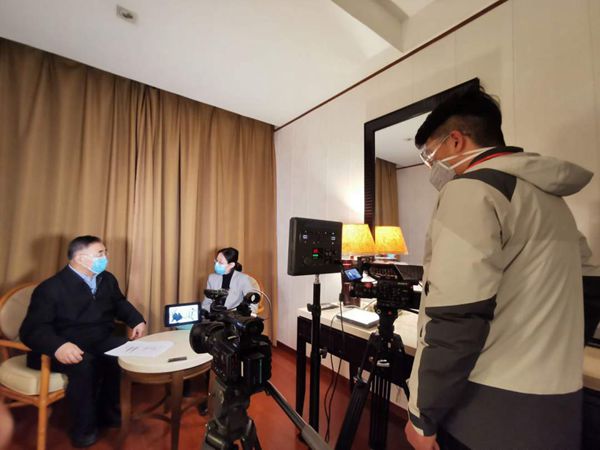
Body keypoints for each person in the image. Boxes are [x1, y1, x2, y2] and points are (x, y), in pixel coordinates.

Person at [404, 87, 593, 450]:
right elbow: (591, 285)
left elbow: (456, 315)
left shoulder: (470, 191)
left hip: (487, 411)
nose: (432, 167)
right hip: (559, 406)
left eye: (430, 155)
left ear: (455, 140)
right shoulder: (551, 201)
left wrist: (421, 414)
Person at [19, 235, 146, 448]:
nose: (106, 257)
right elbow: (31, 330)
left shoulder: (107, 279)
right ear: (80, 258)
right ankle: (84, 429)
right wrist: (58, 346)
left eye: (105, 252)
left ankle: (109, 413)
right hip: (64, 345)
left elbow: (119, 303)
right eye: (100, 253)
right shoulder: (51, 288)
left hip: (98, 339)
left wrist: (136, 320)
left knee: (124, 351)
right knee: (84, 364)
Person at [202, 247, 259, 312]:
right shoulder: (212, 278)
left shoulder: (243, 279)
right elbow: (206, 303)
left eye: (220, 263)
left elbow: (252, 303)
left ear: (231, 265)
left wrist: (246, 315)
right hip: (215, 314)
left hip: (234, 315)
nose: (216, 264)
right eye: (216, 261)